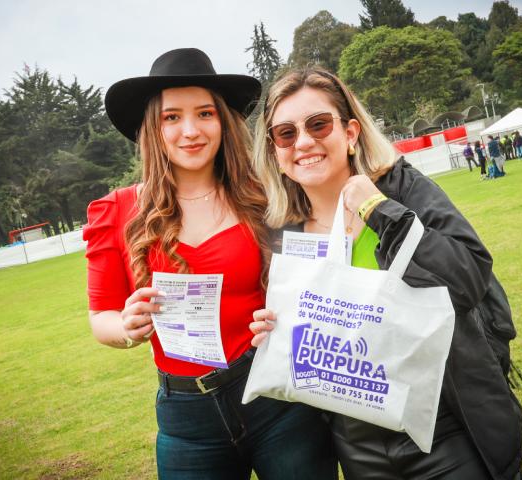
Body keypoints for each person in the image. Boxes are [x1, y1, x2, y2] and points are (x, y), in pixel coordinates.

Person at [249, 67, 522, 480]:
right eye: (286, 133)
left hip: (445, 422)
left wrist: (377, 210)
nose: (304, 142)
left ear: (351, 132)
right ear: (275, 151)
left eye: (318, 124)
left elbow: (467, 278)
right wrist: (274, 329)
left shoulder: (399, 189)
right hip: (357, 440)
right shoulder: (282, 233)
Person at [83, 49, 337, 480]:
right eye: (171, 117)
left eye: (204, 113)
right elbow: (99, 317)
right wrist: (125, 326)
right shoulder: (116, 211)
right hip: (187, 422)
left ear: (222, 120)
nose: (190, 131)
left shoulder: (265, 195)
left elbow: (315, 278)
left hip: (278, 398)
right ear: (153, 128)